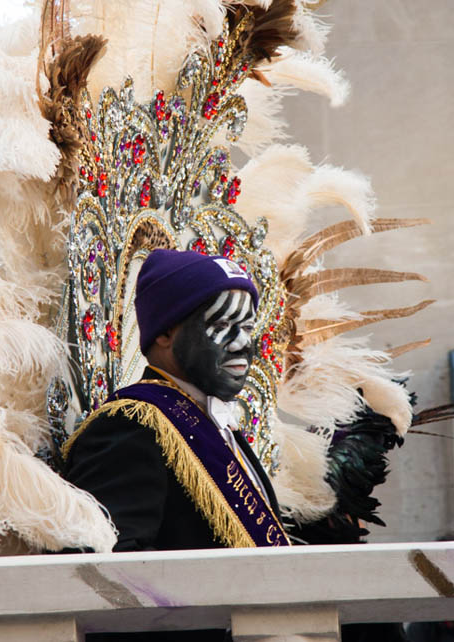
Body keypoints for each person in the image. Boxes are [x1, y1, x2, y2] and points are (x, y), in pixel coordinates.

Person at [61, 249, 289, 639]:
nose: (243, 343)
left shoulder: (214, 425)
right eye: (222, 324)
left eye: (248, 326)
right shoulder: (129, 425)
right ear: (165, 333)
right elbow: (110, 580)